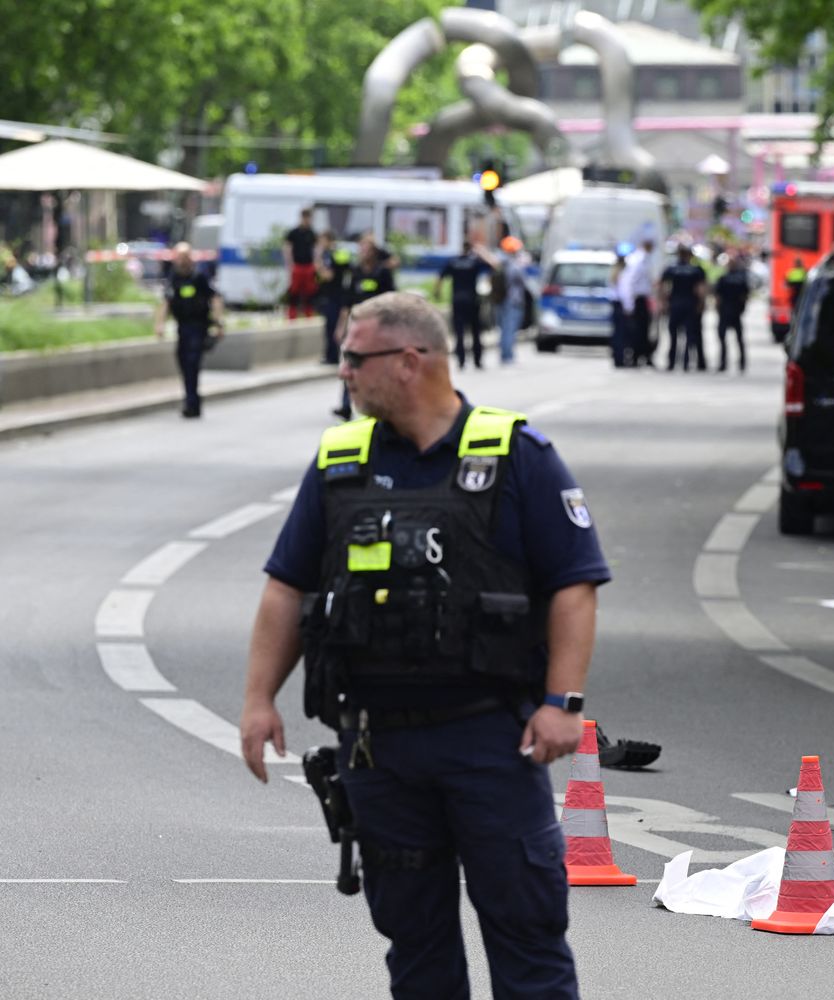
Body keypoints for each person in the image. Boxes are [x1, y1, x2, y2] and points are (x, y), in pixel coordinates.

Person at [239, 291, 607, 1000]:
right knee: (415, 944)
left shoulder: (514, 456)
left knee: (526, 934)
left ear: (409, 362)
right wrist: (259, 699)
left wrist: (563, 702)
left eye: (355, 358)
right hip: (378, 748)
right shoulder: (340, 461)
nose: (342, 371)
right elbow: (287, 586)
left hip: (490, 739)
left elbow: (574, 584)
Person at [152, 242, 224, 418]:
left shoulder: (199, 276)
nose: (182, 261)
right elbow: (166, 302)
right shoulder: (174, 278)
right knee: (183, 363)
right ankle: (193, 399)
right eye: (179, 257)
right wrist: (160, 323)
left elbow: (214, 297)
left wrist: (217, 322)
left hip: (198, 326)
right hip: (182, 327)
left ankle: (191, 402)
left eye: (185, 257)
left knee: (192, 363)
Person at [332, 234, 398, 420]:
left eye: (366, 248)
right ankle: (346, 405)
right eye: (361, 248)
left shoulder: (382, 273)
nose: (362, 252)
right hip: (357, 326)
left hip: (377, 327)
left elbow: (391, 300)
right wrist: (341, 326)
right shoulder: (355, 272)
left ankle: (379, 404)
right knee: (349, 364)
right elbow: (347, 302)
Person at [436, 240, 492, 370]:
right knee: (476, 332)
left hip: (457, 300)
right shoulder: (475, 261)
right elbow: (492, 266)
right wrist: (482, 253)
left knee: (459, 332)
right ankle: (477, 361)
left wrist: (437, 292)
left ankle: (461, 360)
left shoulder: (454, 261)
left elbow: (440, 277)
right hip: (472, 300)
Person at [659, 245, 707, 372]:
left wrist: (663, 303)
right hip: (690, 304)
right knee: (688, 335)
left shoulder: (672, 269)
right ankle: (685, 363)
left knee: (673, 335)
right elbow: (700, 289)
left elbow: (664, 287)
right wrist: (701, 304)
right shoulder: (696, 270)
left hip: (675, 304)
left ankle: (671, 363)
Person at [314, 231, 352, 365]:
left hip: (334, 295)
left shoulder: (329, 255)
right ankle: (333, 355)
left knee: (332, 326)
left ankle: (332, 357)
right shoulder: (338, 253)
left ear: (329, 241)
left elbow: (328, 276)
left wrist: (318, 264)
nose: (320, 244)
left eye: (322, 241)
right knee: (333, 326)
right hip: (335, 294)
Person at [489, 236, 527, 366]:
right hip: (512, 301)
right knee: (509, 329)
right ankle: (507, 355)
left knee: (503, 328)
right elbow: (521, 281)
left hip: (499, 299)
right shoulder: (513, 264)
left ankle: (504, 354)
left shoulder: (498, 262)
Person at [618, 238, 656, 367]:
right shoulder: (638, 261)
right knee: (637, 331)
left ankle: (642, 356)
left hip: (642, 300)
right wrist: (629, 305)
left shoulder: (644, 259)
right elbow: (629, 283)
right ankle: (635, 357)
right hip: (637, 300)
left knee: (644, 330)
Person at [713, 253, 751, 373]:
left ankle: (723, 364)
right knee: (738, 339)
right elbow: (745, 296)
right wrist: (742, 309)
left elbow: (717, 297)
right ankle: (742, 364)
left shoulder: (723, 279)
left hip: (725, 311)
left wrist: (718, 310)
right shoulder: (741, 279)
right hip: (735, 312)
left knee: (723, 339)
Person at [284, 208, 320, 320]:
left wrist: (316, 263)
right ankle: (292, 312)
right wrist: (290, 263)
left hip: (308, 266)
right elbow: (287, 248)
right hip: (297, 265)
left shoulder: (312, 233)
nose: (307, 220)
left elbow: (316, 249)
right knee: (294, 290)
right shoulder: (293, 233)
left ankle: (308, 312)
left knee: (309, 290)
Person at [607, 246, 630, 368]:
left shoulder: (614, 272)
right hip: (620, 305)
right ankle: (620, 359)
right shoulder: (622, 273)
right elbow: (624, 293)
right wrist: (628, 308)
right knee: (621, 334)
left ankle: (617, 357)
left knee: (616, 333)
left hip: (615, 305)